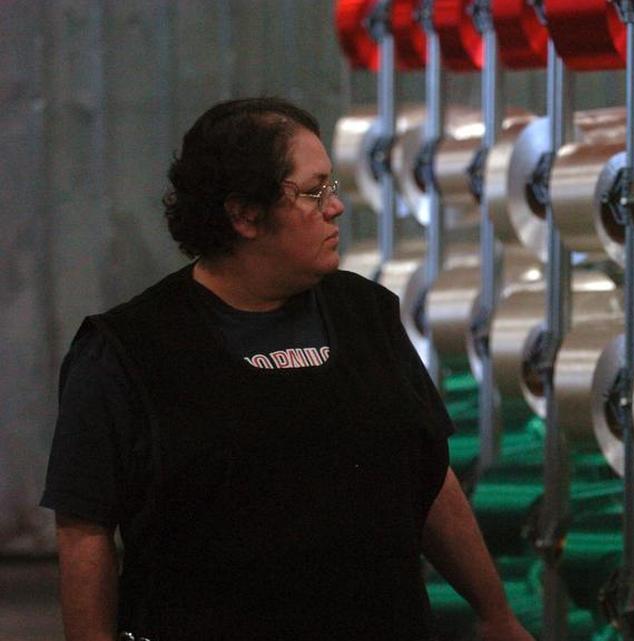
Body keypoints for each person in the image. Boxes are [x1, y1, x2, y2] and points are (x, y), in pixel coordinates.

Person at [41, 97, 533, 641]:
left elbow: (428, 476)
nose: (336, 207)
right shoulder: (127, 351)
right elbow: (84, 532)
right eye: (314, 191)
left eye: (332, 187)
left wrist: (496, 615)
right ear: (245, 215)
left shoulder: (366, 313)